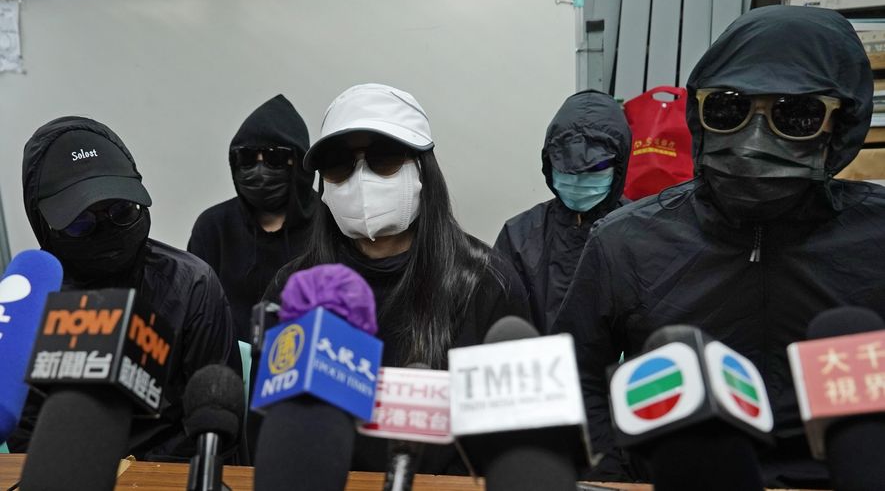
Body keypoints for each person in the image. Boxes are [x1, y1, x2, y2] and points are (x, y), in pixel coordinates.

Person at [553, 5, 882, 488]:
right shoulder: (626, 241)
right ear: (698, 114)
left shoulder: (878, 237)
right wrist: (614, 474)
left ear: (842, 125)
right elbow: (577, 376)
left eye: (797, 115)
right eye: (729, 108)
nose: (753, 139)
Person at [262, 83, 531, 473]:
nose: (362, 179)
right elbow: (270, 433)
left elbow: (511, 445)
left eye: (384, 158)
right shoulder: (296, 290)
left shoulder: (486, 284)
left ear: (423, 170)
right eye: (339, 164)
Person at [14, 116, 241, 460]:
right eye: (80, 223)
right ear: (44, 224)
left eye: (122, 211)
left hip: (169, 475)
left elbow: (213, 425)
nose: (106, 230)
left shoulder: (191, 284)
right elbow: (24, 427)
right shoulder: (29, 299)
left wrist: (137, 473)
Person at [495, 90, 631, 333]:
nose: (578, 178)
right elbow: (498, 318)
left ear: (619, 164)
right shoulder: (518, 236)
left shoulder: (640, 233)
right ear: (549, 163)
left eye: (595, 167)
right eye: (567, 166)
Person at [188, 95, 318, 340]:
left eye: (274, 158)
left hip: (303, 361)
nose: (259, 171)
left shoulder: (328, 226)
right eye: (247, 158)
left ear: (298, 163)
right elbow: (194, 310)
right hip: (224, 365)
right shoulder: (214, 227)